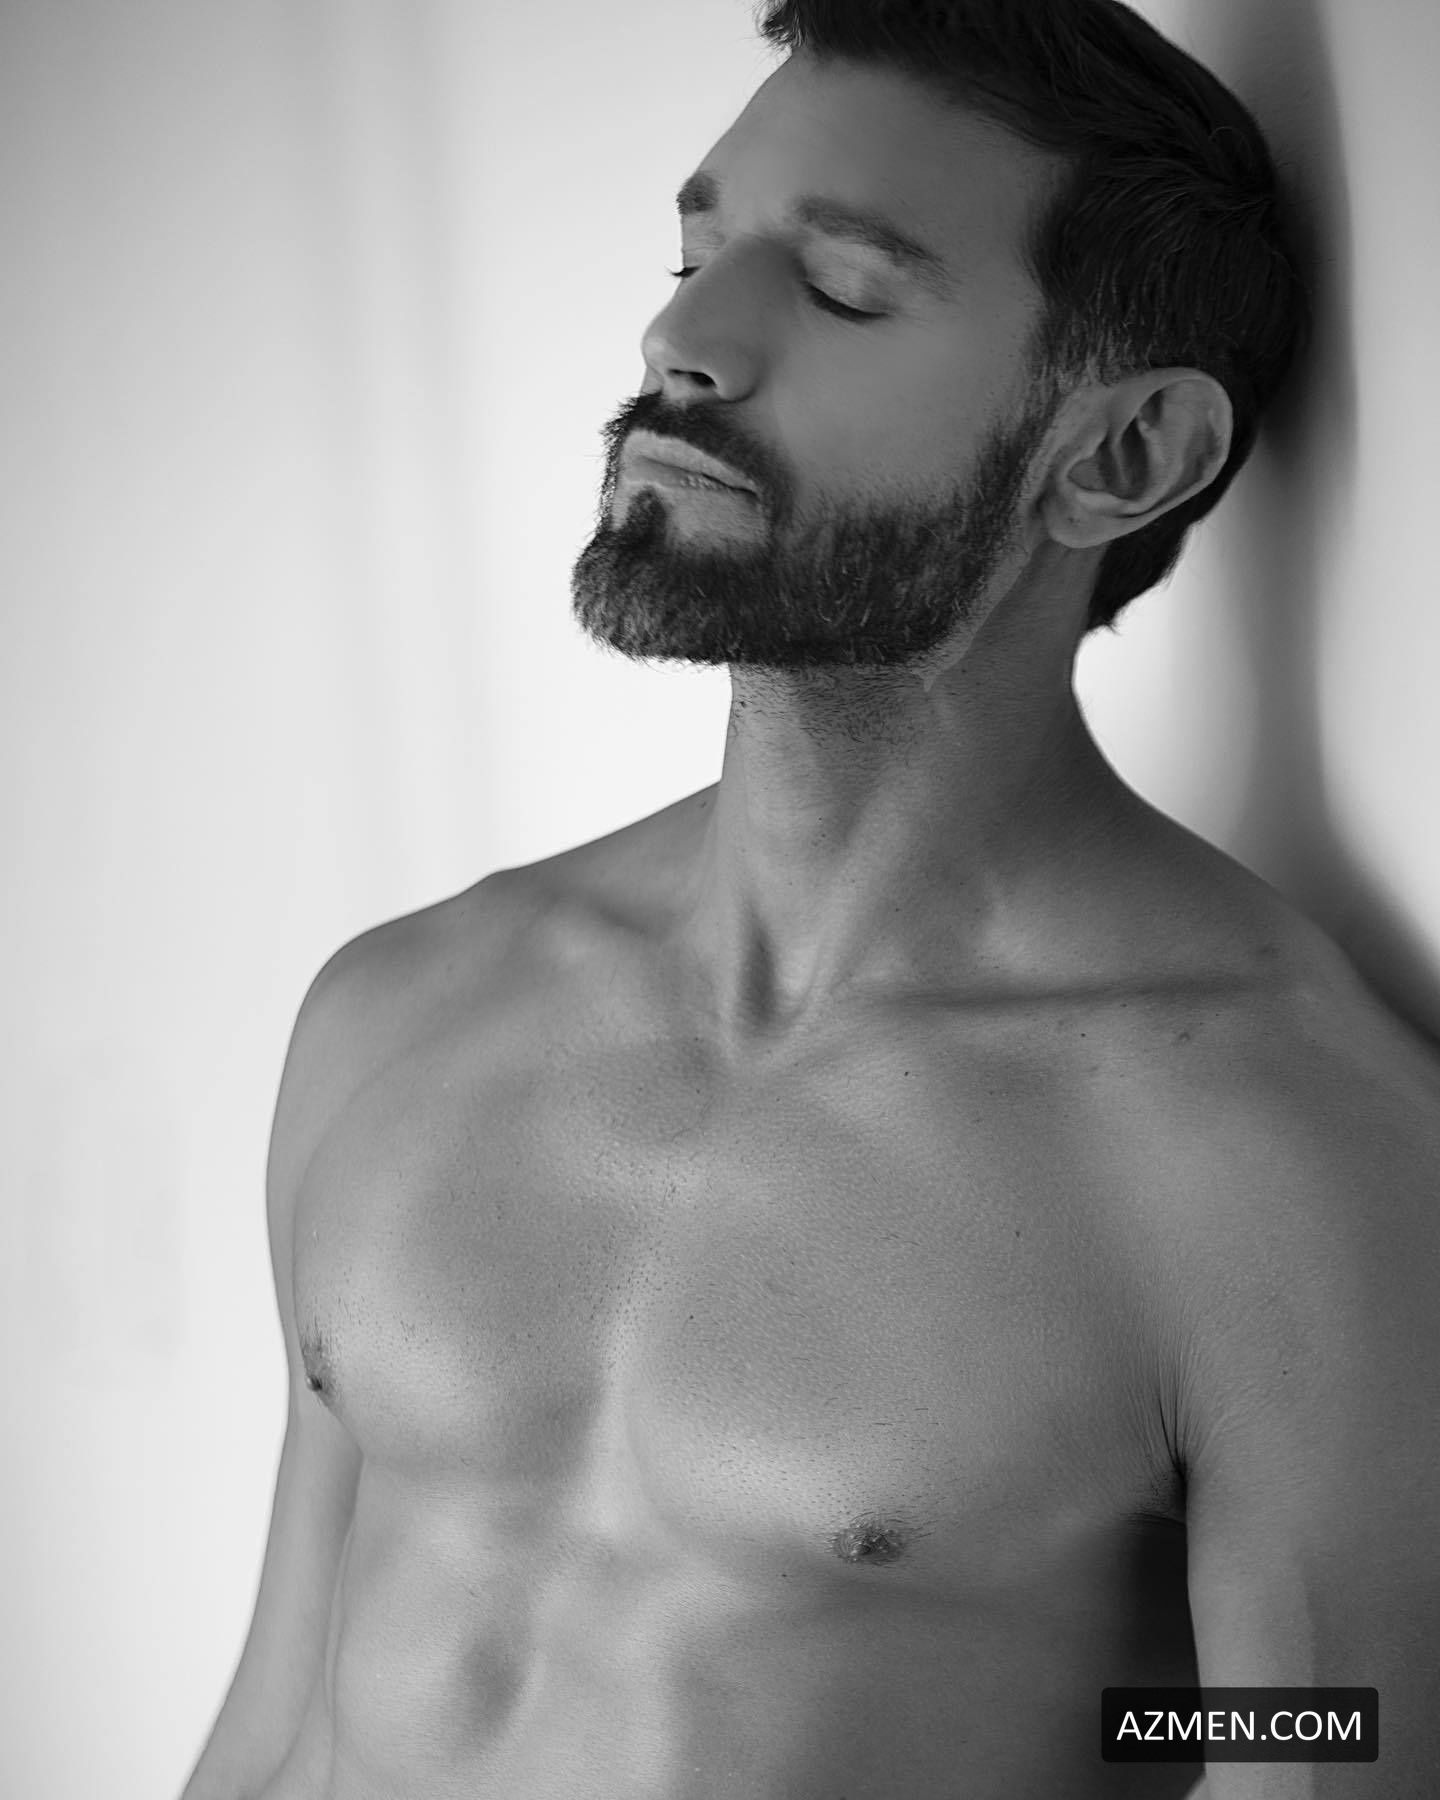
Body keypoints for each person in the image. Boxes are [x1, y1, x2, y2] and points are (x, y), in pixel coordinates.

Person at [182, 2, 1440, 1796]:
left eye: (845, 291)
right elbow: (278, 1726)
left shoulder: (1278, 1158)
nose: (684, 340)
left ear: (1124, 456)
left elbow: (1306, 1744)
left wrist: (1094, 1731)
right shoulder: (404, 1010)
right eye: (695, 256)